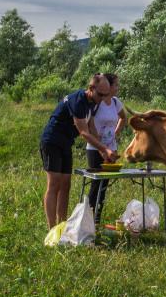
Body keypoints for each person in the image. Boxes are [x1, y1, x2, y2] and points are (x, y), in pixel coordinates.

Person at [39, 74, 117, 229]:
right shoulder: (78, 101)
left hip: (66, 143)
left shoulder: (94, 102)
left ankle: (62, 225)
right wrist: (104, 149)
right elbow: (83, 132)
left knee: (66, 184)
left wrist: (102, 150)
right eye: (100, 95)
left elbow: (92, 127)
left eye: (105, 95)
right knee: (54, 183)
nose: (102, 98)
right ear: (91, 88)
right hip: (52, 141)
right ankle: (52, 229)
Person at [85, 73, 127, 224]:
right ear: (108, 86)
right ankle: (87, 220)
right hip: (94, 148)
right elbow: (88, 122)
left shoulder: (116, 102)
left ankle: (96, 220)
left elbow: (124, 118)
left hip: (111, 149)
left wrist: (116, 133)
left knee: (104, 185)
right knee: (96, 183)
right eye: (115, 84)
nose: (117, 88)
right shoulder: (97, 102)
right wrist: (99, 145)